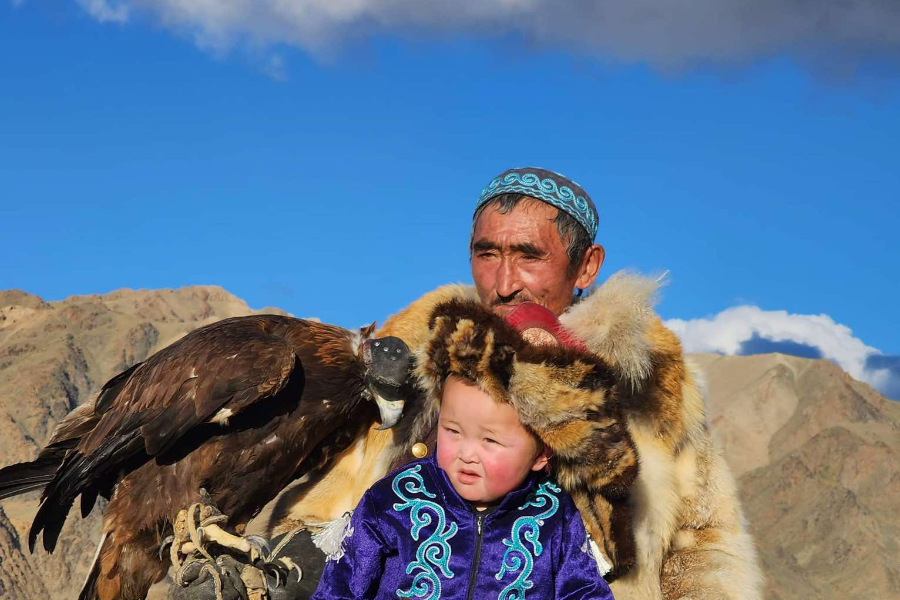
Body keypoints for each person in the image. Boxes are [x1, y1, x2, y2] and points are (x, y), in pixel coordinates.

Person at [171, 167, 762, 600]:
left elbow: (703, 541)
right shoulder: (419, 355)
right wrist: (276, 578)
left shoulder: (650, 382)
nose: (504, 283)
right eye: (487, 253)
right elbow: (340, 516)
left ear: (586, 267)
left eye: (529, 256)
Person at [311, 300, 618, 600]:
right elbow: (342, 586)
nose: (467, 453)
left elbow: (583, 589)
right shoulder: (393, 499)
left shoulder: (553, 514)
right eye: (453, 431)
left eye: (490, 441)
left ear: (542, 454)